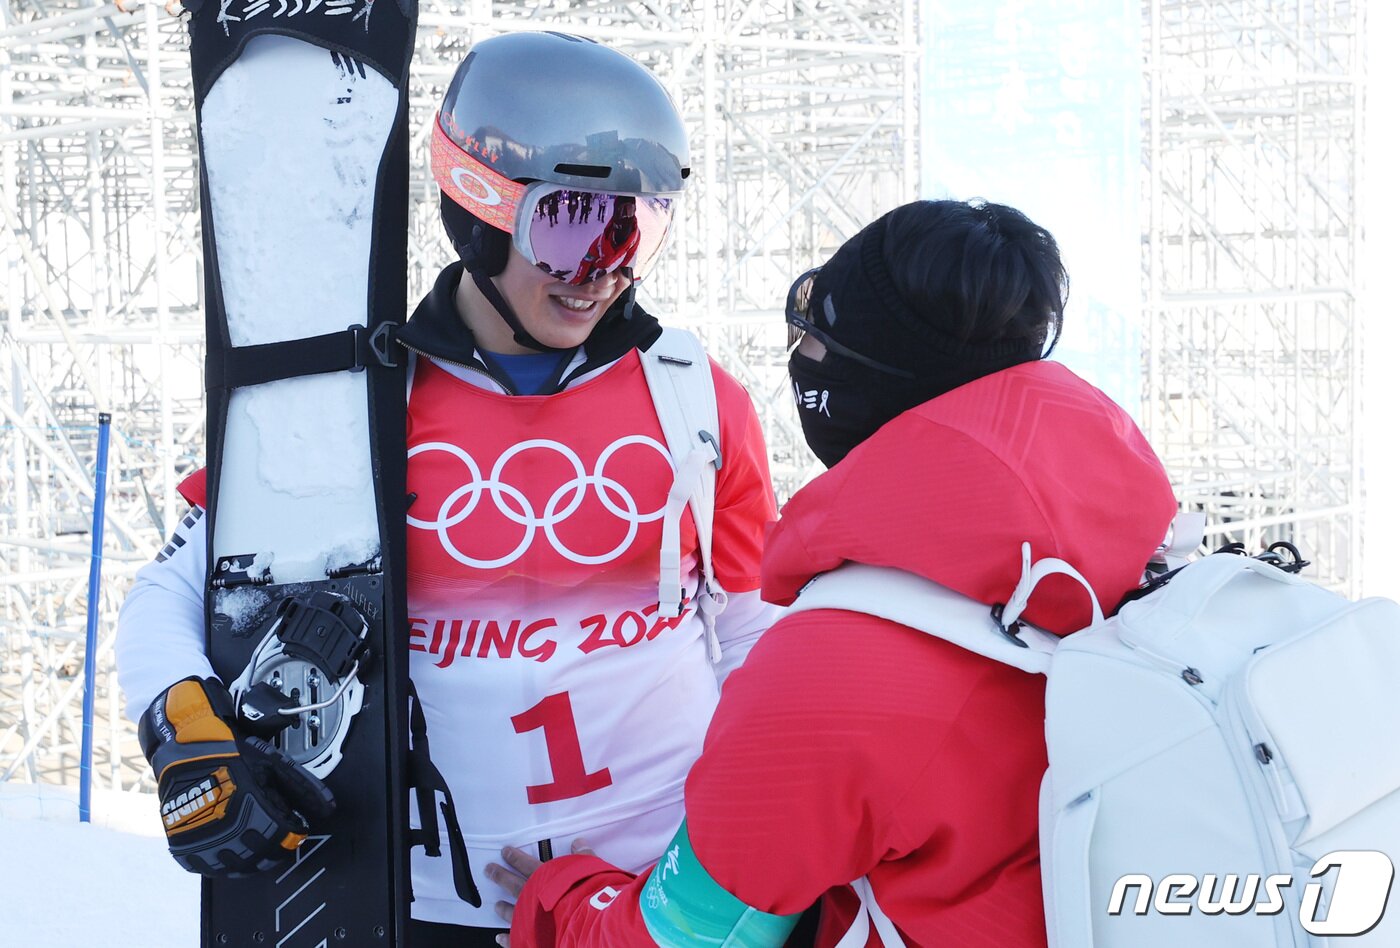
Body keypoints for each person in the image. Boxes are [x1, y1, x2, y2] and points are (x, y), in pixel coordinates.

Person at [115, 32, 780, 948]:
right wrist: (189, 734)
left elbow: (750, 632)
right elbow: (172, 590)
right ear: (477, 206)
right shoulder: (351, 403)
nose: (607, 268)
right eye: (573, 224)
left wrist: (762, 838)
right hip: (427, 904)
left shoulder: (693, 395)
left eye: (640, 225)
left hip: (656, 901)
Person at [487, 199, 1179, 947]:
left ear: (873, 372)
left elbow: (690, 938)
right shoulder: (1139, 547)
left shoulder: (835, 670)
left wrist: (563, 900)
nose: (801, 359)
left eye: (814, 339)